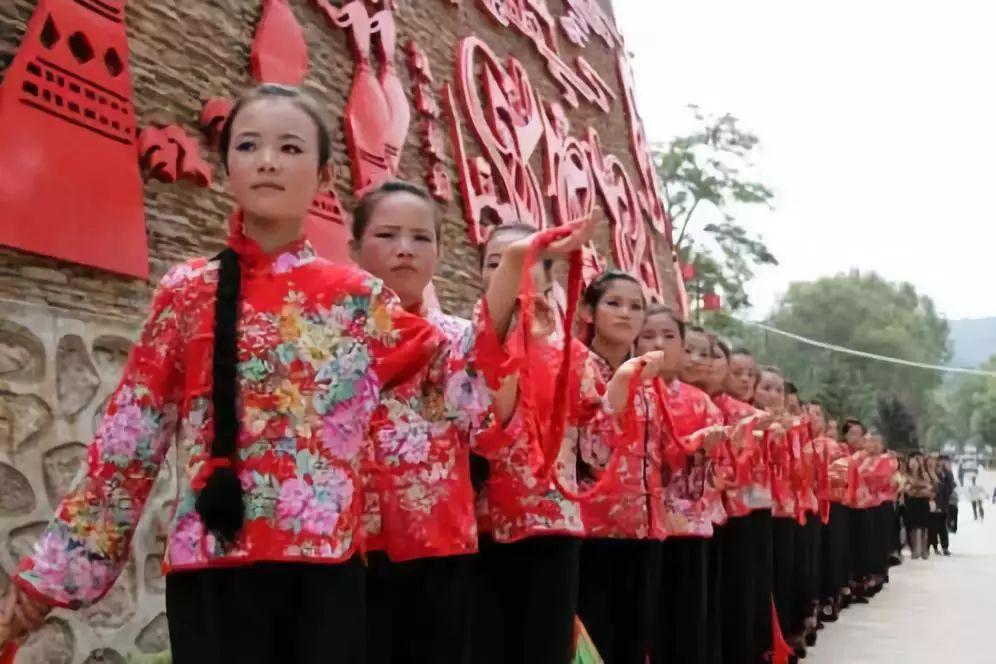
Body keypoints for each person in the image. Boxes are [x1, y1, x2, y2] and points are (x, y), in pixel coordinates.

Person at [0, 84, 449, 664]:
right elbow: (129, 439)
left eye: (289, 148)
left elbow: (449, 403)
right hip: (211, 565)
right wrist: (49, 581)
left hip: (326, 573)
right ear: (227, 166)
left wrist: (519, 306)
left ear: (325, 177)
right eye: (248, 145)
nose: (267, 160)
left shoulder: (360, 300)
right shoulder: (186, 290)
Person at [470, 225, 649, 664]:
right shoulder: (465, 339)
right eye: (496, 262)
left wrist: (619, 393)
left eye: (524, 261)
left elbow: (596, 451)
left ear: (548, 277)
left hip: (551, 523)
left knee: (545, 646)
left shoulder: (575, 358)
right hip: (477, 525)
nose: (508, 270)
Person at [576, 270, 672, 664]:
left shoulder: (649, 380)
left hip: (644, 527)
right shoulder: (576, 367)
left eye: (636, 307)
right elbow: (586, 451)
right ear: (588, 311)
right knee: (595, 637)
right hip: (592, 526)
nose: (625, 314)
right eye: (613, 303)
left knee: (634, 639)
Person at [646, 321, 726, 664]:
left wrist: (705, 452)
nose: (660, 344)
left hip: (686, 523)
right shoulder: (626, 389)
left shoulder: (700, 403)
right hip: (633, 521)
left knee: (684, 617)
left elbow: (714, 469)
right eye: (649, 335)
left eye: (669, 337)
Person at [904, 453, 934, 560]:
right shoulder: (906, 474)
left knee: (924, 526)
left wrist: (916, 487)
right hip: (911, 503)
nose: (915, 462)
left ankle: (924, 549)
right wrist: (920, 488)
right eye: (913, 460)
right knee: (913, 526)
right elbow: (907, 490)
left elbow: (929, 487)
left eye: (918, 460)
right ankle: (915, 550)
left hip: (923, 503)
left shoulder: (925, 473)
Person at [930, 454, 955, 556]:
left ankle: (945, 547)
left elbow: (951, 486)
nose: (942, 463)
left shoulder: (948, 473)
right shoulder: (932, 471)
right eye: (941, 461)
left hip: (944, 503)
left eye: (945, 461)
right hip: (933, 501)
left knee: (942, 526)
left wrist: (948, 472)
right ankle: (935, 546)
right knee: (933, 526)